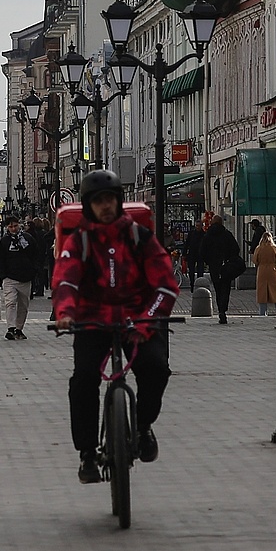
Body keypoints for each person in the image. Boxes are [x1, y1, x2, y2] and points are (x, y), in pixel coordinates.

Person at [53, 170, 178, 485]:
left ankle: (142, 426)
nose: (105, 206)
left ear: (119, 201)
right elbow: (65, 278)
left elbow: (164, 284)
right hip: (92, 319)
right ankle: (86, 453)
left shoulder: (139, 237)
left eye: (110, 199)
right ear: (88, 206)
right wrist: (66, 313)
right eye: (98, 202)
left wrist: (150, 317)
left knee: (155, 368)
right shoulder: (78, 240)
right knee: (83, 379)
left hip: (139, 317)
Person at [0, 217, 41, 339]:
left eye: (15, 225)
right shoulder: (4, 242)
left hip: (25, 277)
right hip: (10, 277)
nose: (13, 228)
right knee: (10, 302)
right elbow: (0, 259)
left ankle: (19, 328)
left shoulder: (28, 239)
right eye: (10, 226)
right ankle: (11, 328)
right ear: (7, 227)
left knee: (23, 305)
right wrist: (2, 275)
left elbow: (36, 255)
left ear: (19, 225)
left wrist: (33, 271)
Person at [191, 212, 244, 323]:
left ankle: (220, 309)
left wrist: (209, 262)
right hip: (226, 265)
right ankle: (223, 310)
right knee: (226, 288)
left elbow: (202, 251)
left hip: (214, 267)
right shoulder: (227, 234)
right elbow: (236, 249)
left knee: (217, 288)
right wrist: (229, 258)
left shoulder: (208, 235)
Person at [250, 220, 276, 317]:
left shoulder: (259, 248)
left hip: (262, 270)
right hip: (273, 269)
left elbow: (255, 260)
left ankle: (262, 311)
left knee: (262, 291)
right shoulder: (274, 248)